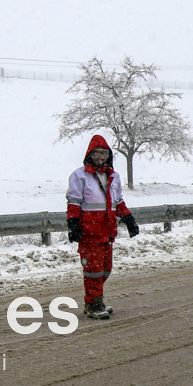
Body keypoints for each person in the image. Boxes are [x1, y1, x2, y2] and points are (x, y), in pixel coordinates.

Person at [66, 135, 139, 319]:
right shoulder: (79, 176)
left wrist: (128, 218)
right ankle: (95, 304)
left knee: (105, 270)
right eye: (96, 153)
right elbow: (73, 202)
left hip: (107, 232)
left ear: (109, 155)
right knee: (93, 271)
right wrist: (72, 224)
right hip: (89, 232)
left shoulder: (114, 177)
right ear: (89, 155)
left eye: (103, 153)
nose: (100, 156)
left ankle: (92, 300)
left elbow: (118, 201)